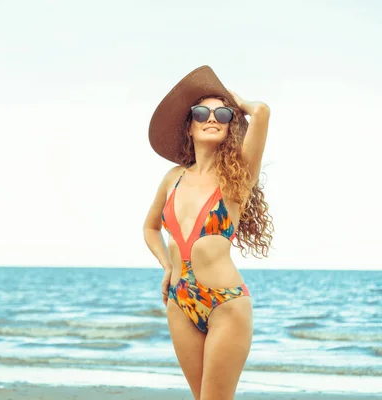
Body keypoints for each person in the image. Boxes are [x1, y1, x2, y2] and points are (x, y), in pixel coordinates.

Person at [143, 65, 274, 400]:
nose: (212, 118)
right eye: (202, 112)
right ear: (190, 125)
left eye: (223, 113)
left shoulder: (237, 177)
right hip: (179, 302)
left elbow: (261, 112)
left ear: (231, 124)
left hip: (226, 304)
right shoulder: (173, 177)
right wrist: (167, 266)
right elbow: (150, 227)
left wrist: (236, 102)